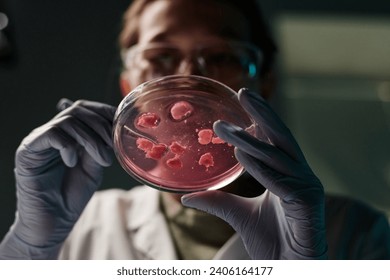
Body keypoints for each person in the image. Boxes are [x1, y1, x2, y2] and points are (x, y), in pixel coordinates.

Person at [0, 0, 389, 260]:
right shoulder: (85, 225)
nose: (188, 77)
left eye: (220, 56)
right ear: (127, 85)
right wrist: (29, 250)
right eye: (162, 57)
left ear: (265, 81)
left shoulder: (356, 231)